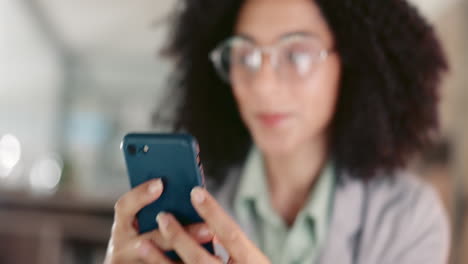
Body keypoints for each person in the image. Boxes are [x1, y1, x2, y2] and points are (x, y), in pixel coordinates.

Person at [104, 0, 450, 263]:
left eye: (297, 54)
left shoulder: (408, 217)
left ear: (352, 62)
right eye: (244, 55)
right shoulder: (183, 204)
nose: (264, 87)